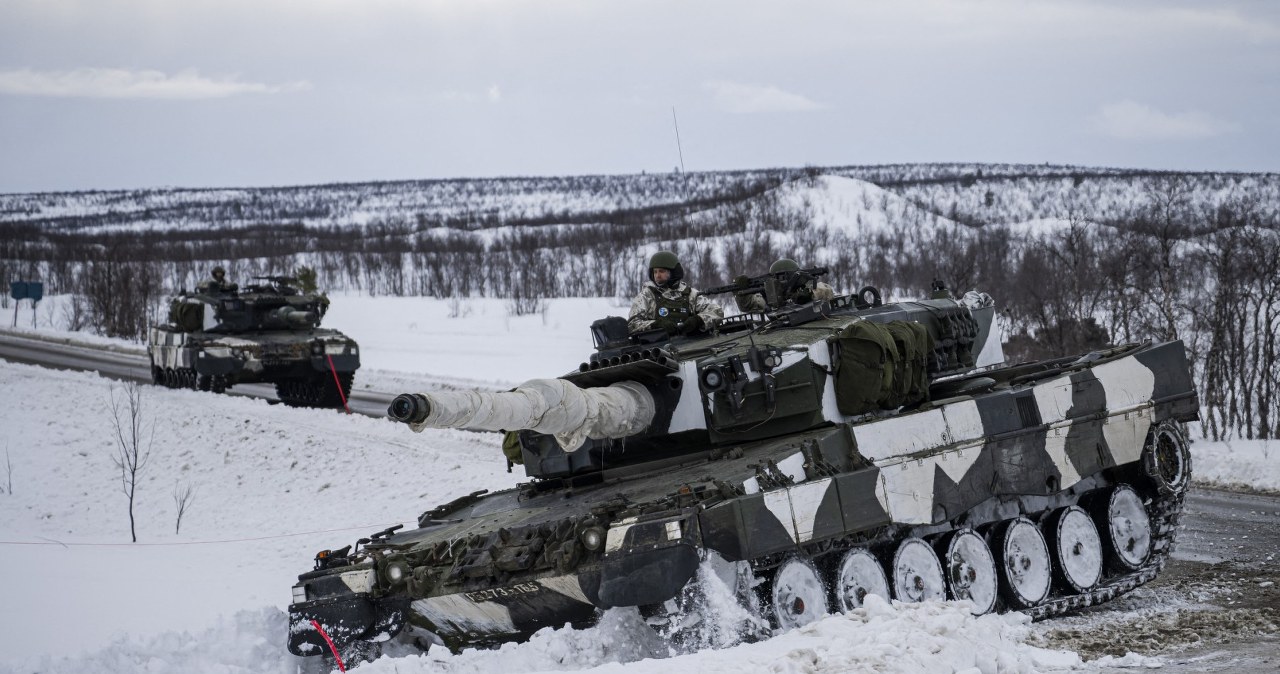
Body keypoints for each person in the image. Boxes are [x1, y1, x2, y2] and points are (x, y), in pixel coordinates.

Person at [628, 251, 723, 335]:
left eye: (661, 271)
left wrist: (698, 320)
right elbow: (632, 324)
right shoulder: (647, 295)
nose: (657, 275)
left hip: (690, 343)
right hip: (658, 348)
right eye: (655, 272)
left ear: (673, 272)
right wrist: (656, 325)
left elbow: (717, 311)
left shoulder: (690, 294)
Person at [735, 258, 834, 312]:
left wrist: (809, 295)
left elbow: (826, 291)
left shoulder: (809, 286)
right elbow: (745, 306)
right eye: (777, 278)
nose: (781, 281)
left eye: (785, 277)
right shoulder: (768, 297)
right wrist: (739, 289)